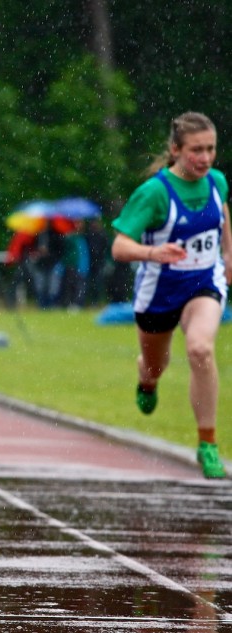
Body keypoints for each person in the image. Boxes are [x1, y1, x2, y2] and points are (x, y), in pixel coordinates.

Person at [111, 111, 232, 479]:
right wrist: (153, 253)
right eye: (197, 150)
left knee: (200, 348)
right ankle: (146, 381)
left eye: (210, 149)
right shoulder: (154, 193)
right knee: (155, 365)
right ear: (176, 150)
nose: (205, 158)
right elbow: (119, 247)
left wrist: (228, 255)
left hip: (204, 281)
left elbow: (223, 216)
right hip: (159, 289)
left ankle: (208, 444)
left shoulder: (217, 182)